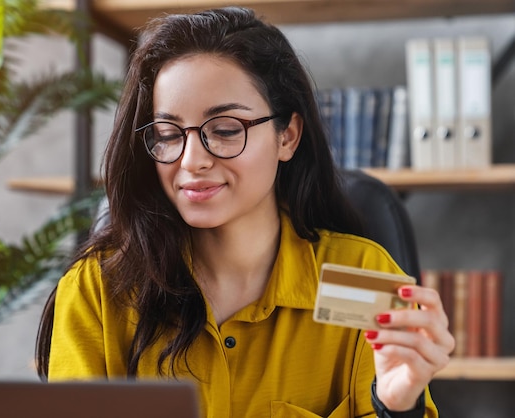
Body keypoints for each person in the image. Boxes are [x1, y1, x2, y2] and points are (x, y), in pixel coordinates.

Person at [36, 6, 454, 417]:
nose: (190, 161)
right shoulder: (99, 291)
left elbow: (396, 394)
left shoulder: (360, 279)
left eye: (224, 130)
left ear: (287, 136)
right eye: (167, 134)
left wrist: (397, 407)